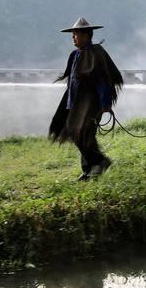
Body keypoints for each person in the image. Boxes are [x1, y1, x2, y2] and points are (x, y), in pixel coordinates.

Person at [49, 17, 124, 180]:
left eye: (76, 34)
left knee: (82, 132)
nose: (73, 37)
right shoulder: (76, 54)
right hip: (76, 102)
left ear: (86, 35)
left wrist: (105, 104)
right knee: (77, 132)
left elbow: (102, 80)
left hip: (90, 103)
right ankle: (89, 169)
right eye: (73, 34)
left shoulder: (95, 53)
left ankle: (99, 162)